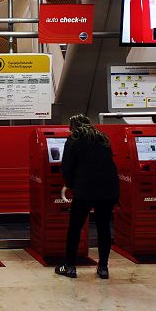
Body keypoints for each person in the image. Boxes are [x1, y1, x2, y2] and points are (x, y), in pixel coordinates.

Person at [55, 114, 119, 279]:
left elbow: (67, 166)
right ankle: (103, 267)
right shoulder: (102, 138)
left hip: (85, 189)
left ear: (72, 126)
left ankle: (69, 266)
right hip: (108, 189)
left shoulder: (74, 138)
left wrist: (69, 185)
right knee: (103, 227)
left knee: (75, 228)